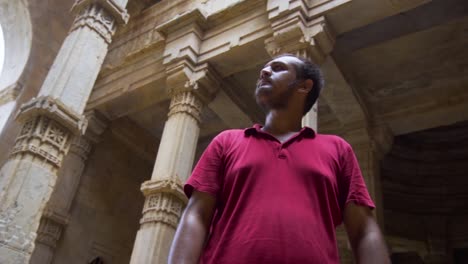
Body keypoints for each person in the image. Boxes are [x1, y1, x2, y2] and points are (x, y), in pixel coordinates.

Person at [168, 54, 390, 264]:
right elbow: (196, 214)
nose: (264, 71)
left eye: (278, 68)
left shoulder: (337, 149)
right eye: (265, 67)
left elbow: (364, 230)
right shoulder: (227, 141)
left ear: (304, 85)